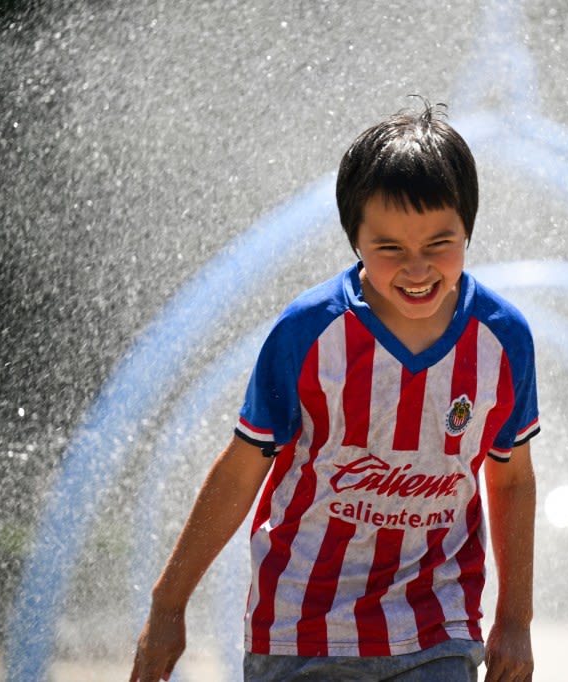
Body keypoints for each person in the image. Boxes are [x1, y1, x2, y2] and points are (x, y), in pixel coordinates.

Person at [130, 101, 540, 682]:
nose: (417, 269)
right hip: (302, 626)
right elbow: (241, 470)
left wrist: (515, 620)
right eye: (390, 247)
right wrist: (168, 604)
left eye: (438, 244)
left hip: (435, 625)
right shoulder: (308, 332)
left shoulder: (503, 339)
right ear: (355, 239)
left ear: (468, 228)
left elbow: (514, 477)